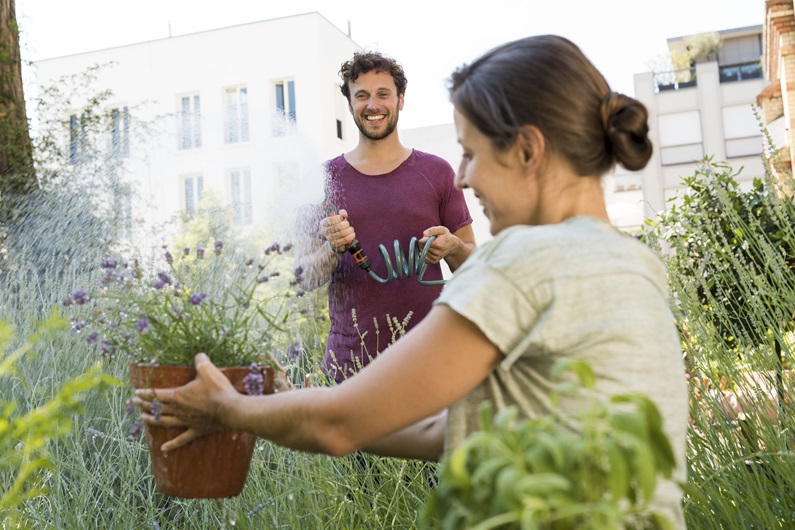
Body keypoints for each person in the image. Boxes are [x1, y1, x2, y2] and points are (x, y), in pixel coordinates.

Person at [135, 35, 689, 527]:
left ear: (527, 149)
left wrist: (227, 410)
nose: (466, 176)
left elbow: (338, 427)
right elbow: (441, 433)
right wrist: (292, 397)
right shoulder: (634, 263)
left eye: (472, 153)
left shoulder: (521, 260)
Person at [294, 50, 476, 383]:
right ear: (349, 104)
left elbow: (476, 269)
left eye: (383, 94)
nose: (372, 105)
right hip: (348, 368)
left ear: (401, 100)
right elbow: (301, 277)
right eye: (361, 95)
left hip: (429, 363)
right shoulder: (320, 182)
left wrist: (451, 247)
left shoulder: (437, 172)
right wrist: (332, 248)